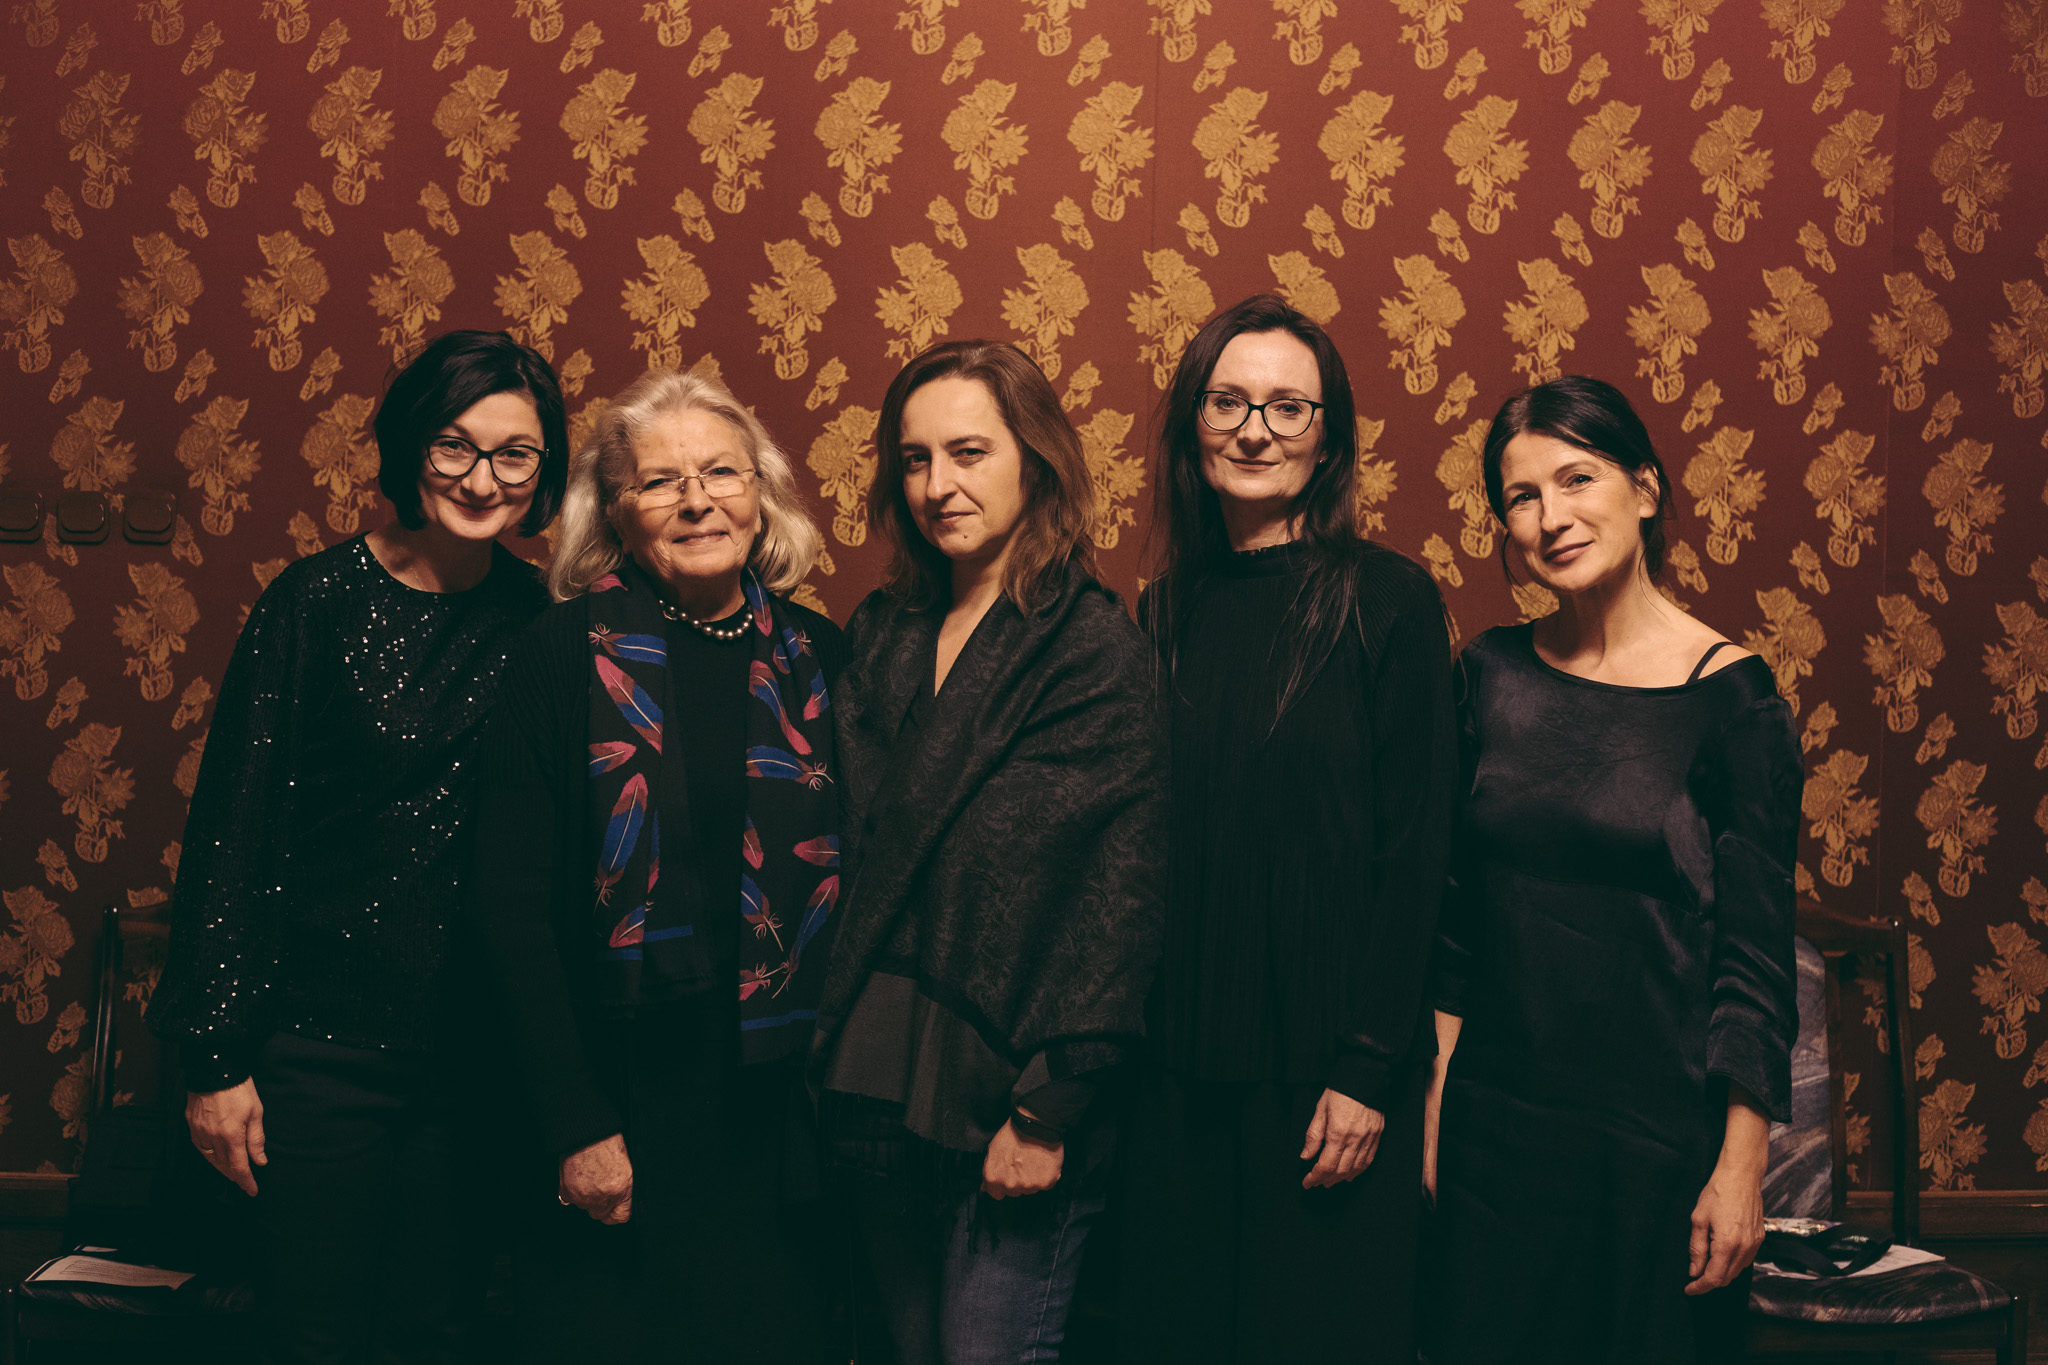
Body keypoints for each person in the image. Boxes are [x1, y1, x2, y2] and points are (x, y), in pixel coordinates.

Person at [152, 329, 567, 1363]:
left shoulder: (543, 623)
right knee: (316, 1336)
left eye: (514, 454)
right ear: (410, 446)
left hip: (475, 1060)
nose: (483, 479)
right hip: (318, 1053)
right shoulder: (316, 605)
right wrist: (213, 1060)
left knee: (441, 1332)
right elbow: (234, 833)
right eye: (455, 445)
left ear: (545, 470)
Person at [461, 367, 846, 1362]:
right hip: (615, 1102)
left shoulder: (821, 656)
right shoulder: (559, 653)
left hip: (776, 1112)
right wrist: (575, 1124)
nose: (696, 501)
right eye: (660, 481)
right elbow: (508, 909)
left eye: (720, 472)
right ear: (615, 512)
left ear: (760, 493)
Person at [1424, 375, 1800, 1363]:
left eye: (1575, 478)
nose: (1549, 517)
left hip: (1651, 1142)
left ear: (1645, 487)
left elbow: (1754, 965)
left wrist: (1740, 1167)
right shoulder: (1486, 676)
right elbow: (1453, 924)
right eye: (1521, 497)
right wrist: (1433, 1109)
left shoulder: (1734, 700)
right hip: (1491, 1134)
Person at [1114, 294, 1456, 1363]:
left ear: (1328, 437)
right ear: (1191, 427)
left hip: (1327, 1082)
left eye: (1286, 407)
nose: (1254, 431)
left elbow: (1416, 859)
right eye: (1227, 402)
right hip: (1175, 1078)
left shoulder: (1390, 602)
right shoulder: (1161, 612)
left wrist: (1366, 1069)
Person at [813, 339, 1165, 1365]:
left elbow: (1119, 893)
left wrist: (1051, 1104)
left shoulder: (1091, 648)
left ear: (1035, 462)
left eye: (968, 452)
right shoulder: (881, 629)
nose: (938, 485)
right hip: (872, 1080)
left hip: (1012, 1097)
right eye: (915, 460)